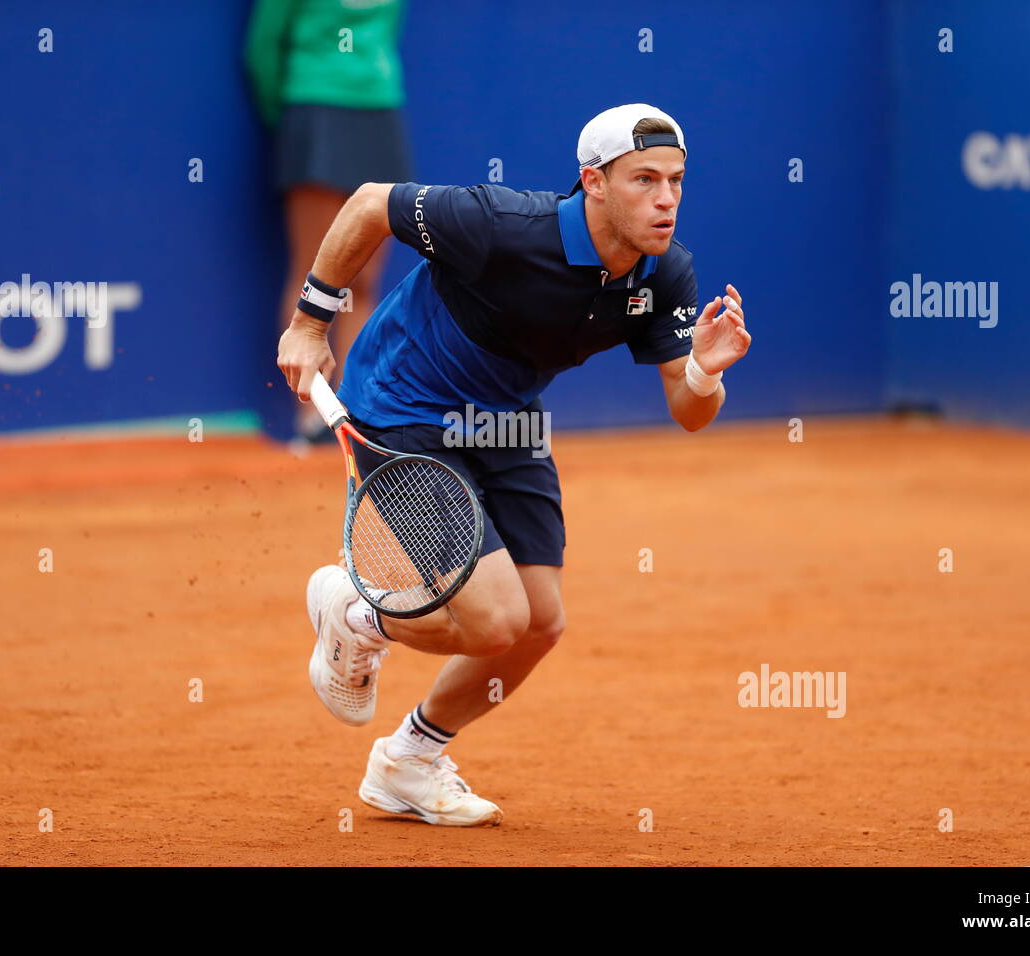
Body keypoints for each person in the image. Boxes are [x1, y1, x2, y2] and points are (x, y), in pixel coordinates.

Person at [276, 104, 752, 826]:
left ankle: (408, 762)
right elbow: (370, 203)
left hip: (505, 419)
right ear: (594, 182)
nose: (666, 199)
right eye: (644, 179)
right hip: (404, 404)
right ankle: (357, 612)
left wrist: (705, 372)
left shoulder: (666, 273)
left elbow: (688, 411)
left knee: (540, 624)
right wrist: (311, 323)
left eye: (676, 181)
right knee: (497, 620)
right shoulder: (501, 224)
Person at [243, 0, 411, 443]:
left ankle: (358, 414)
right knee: (314, 274)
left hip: (379, 107)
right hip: (314, 104)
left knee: (364, 281)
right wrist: (294, 113)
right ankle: (311, 419)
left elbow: (389, 30)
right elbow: (264, 48)